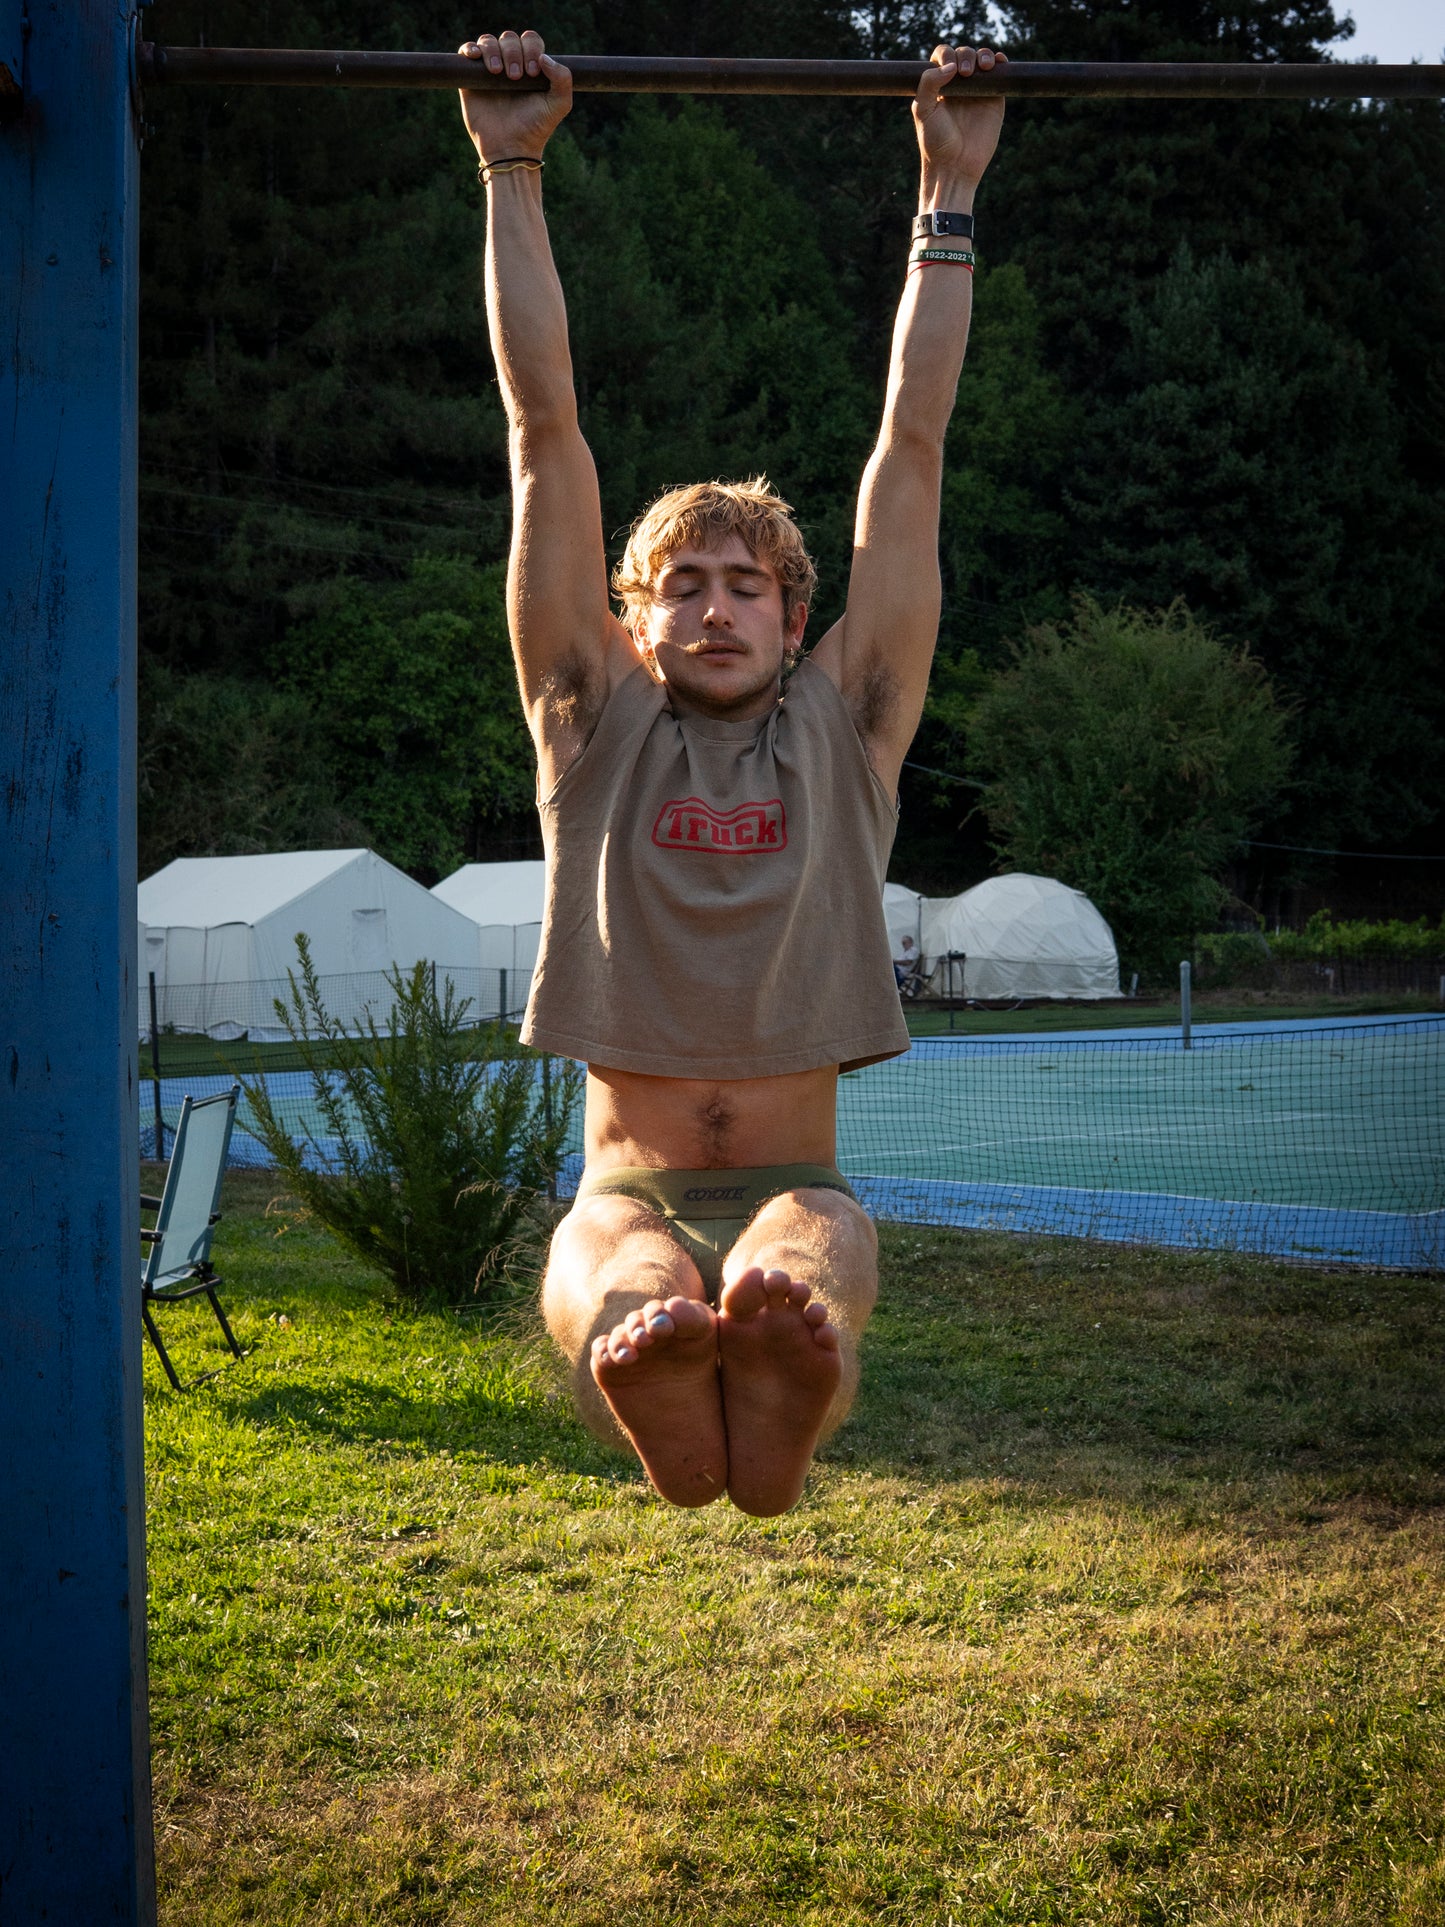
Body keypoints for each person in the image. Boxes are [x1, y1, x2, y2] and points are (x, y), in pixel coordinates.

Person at [458, 29, 1006, 1516]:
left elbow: (911, 449)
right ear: (628, 624)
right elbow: (540, 430)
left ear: (797, 617)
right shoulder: (589, 720)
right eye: (681, 583)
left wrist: (944, 190)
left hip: (795, 1174)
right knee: (624, 1272)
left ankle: (771, 1384)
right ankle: (687, 1395)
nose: (712, 604)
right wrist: (511, 164)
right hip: (621, 1179)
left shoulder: (849, 725)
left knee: (798, 1259)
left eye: (745, 583)